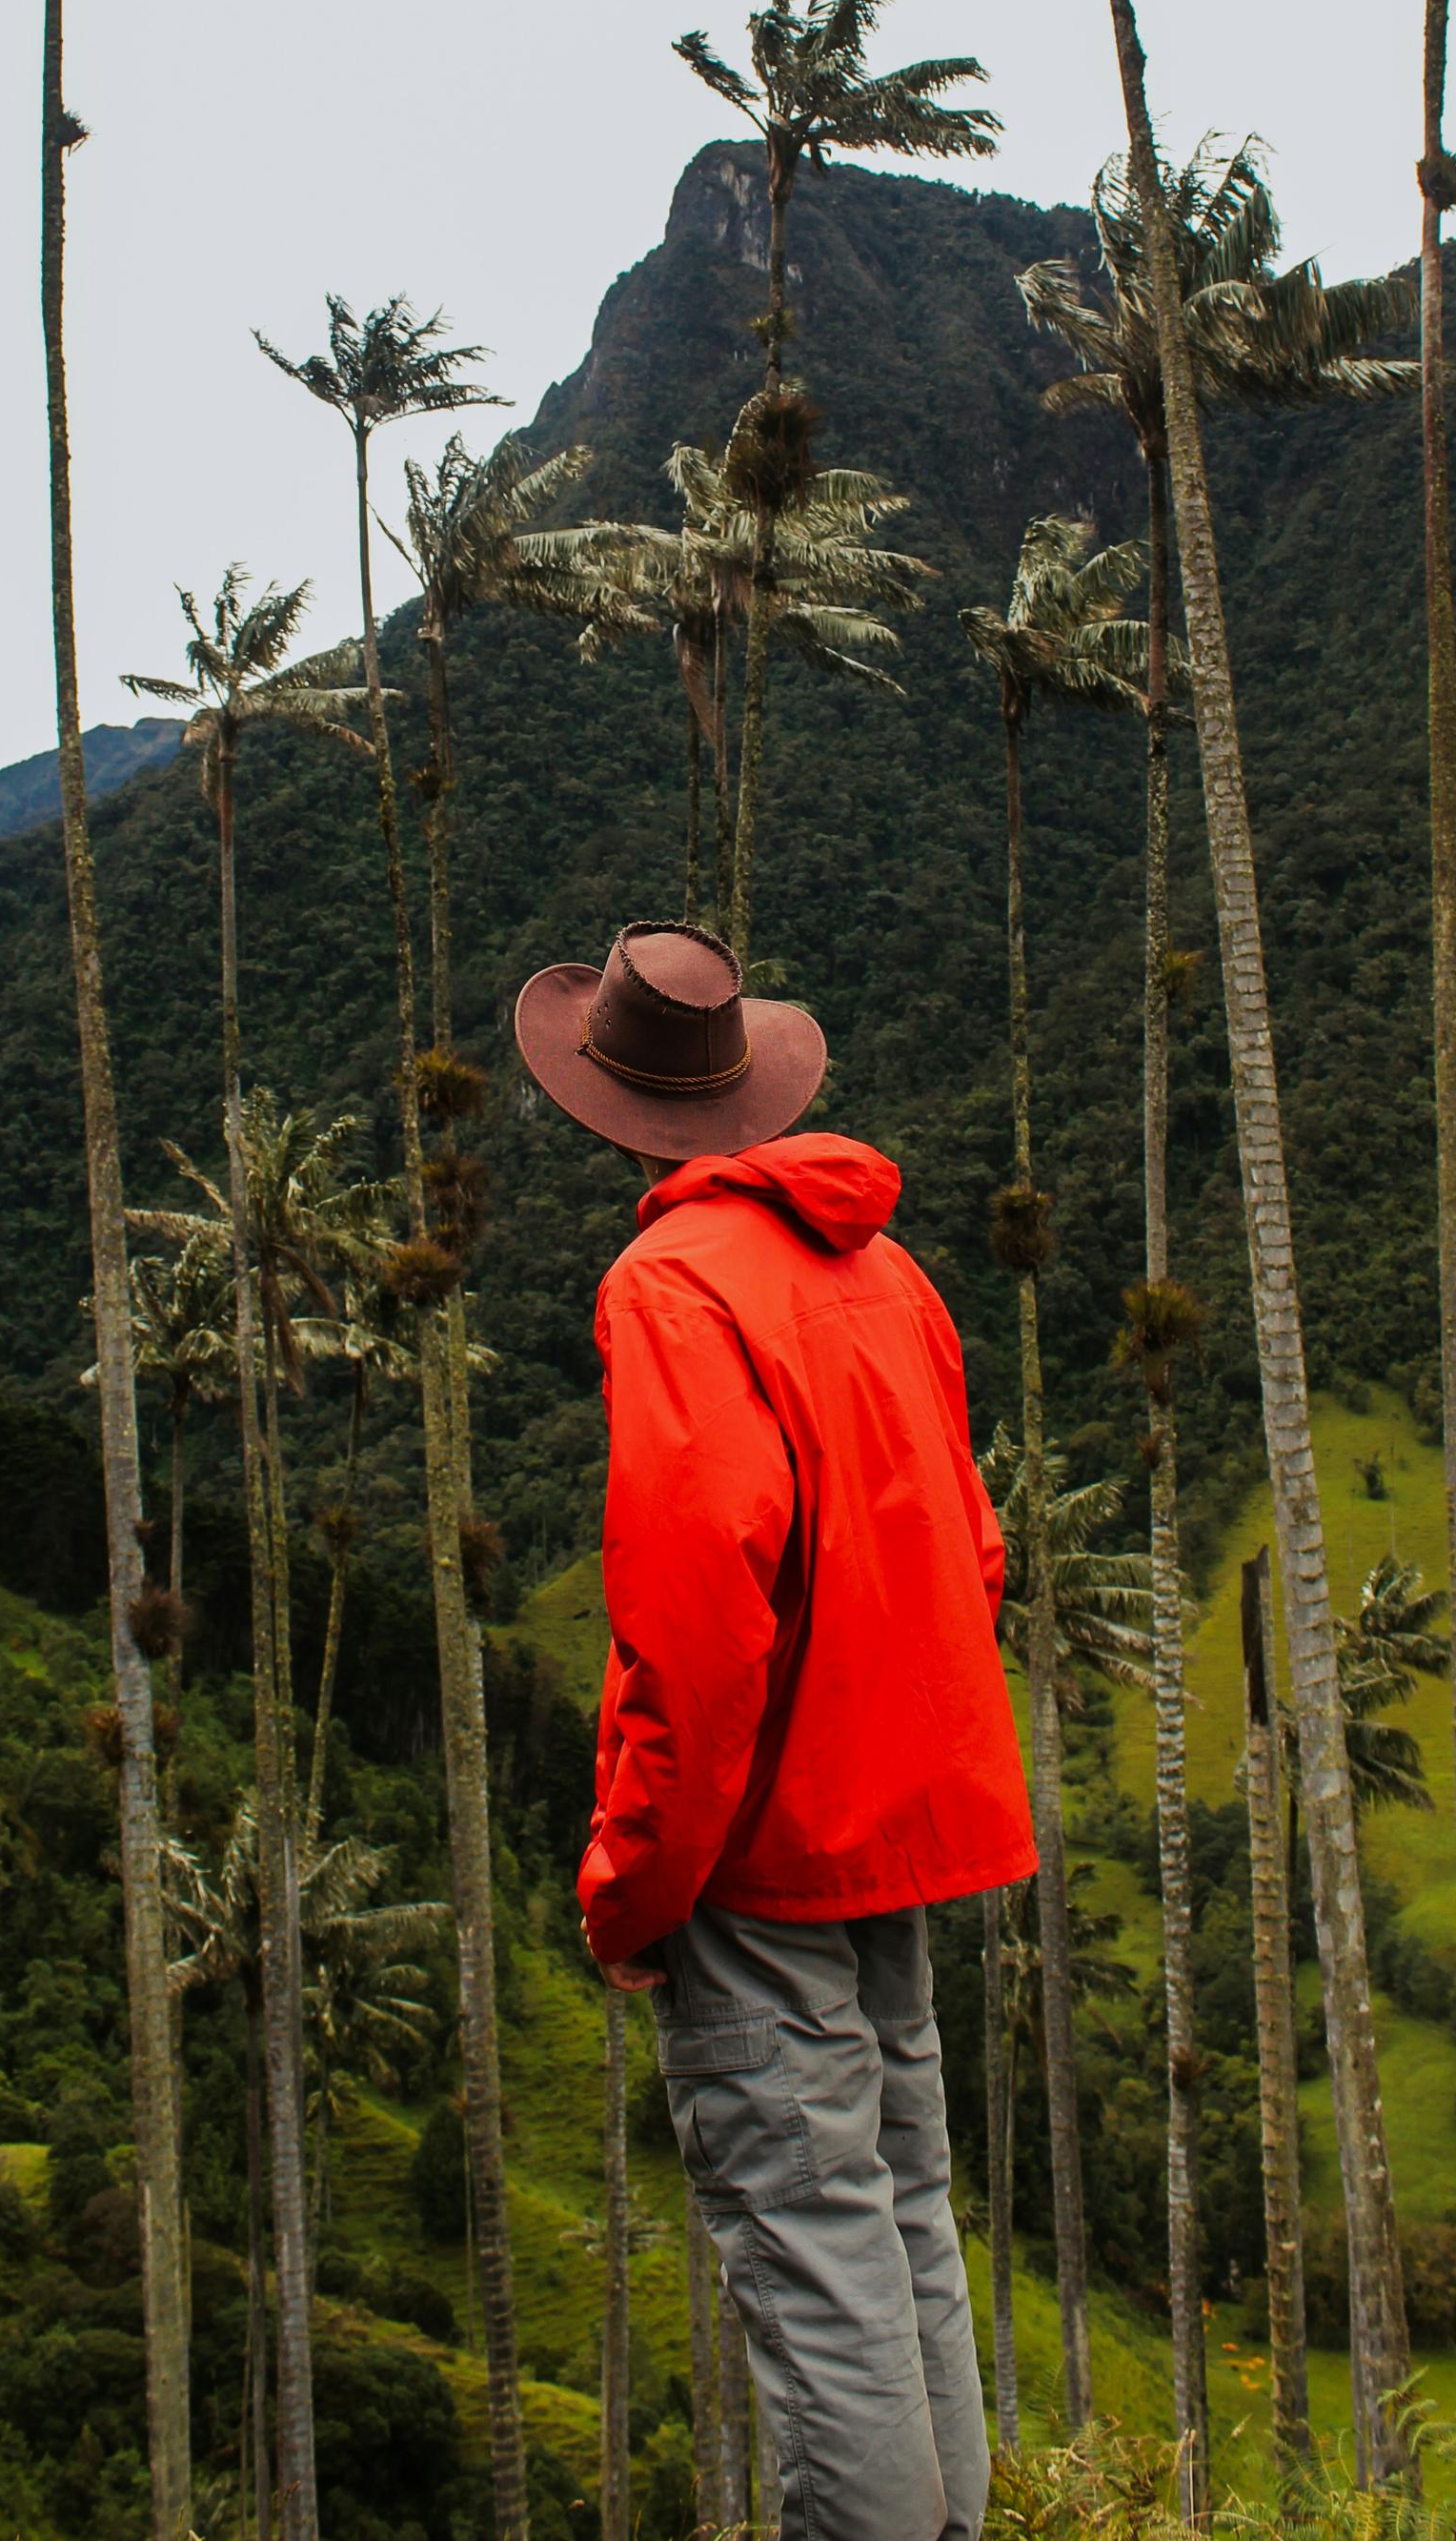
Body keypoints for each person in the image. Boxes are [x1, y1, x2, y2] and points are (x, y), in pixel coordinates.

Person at [515, 921, 1037, 2541]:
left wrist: (633, 1885)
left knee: (815, 2260)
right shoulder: (888, 1271)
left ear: (610, 1109)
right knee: (903, 2220)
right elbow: (978, 1546)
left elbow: (695, 1630)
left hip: (760, 1858)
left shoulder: (668, 1287)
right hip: (894, 1830)